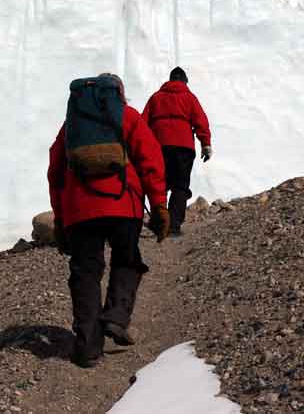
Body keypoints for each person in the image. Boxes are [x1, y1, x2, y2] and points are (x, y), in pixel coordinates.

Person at [47, 73, 170, 368]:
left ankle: (88, 348)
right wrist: (159, 205)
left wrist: (61, 218)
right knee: (127, 260)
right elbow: (150, 159)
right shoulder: (127, 117)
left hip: (80, 210)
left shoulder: (73, 125)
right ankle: (115, 317)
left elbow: (55, 170)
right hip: (123, 202)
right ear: (118, 94)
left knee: (86, 273)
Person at [142, 66, 212, 236]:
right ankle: (173, 227)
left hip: (159, 147)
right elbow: (200, 120)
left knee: (160, 184)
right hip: (183, 148)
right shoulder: (190, 98)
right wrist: (205, 144)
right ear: (185, 81)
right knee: (180, 186)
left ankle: (159, 224)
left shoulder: (156, 98)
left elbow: (142, 122)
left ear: (170, 79)